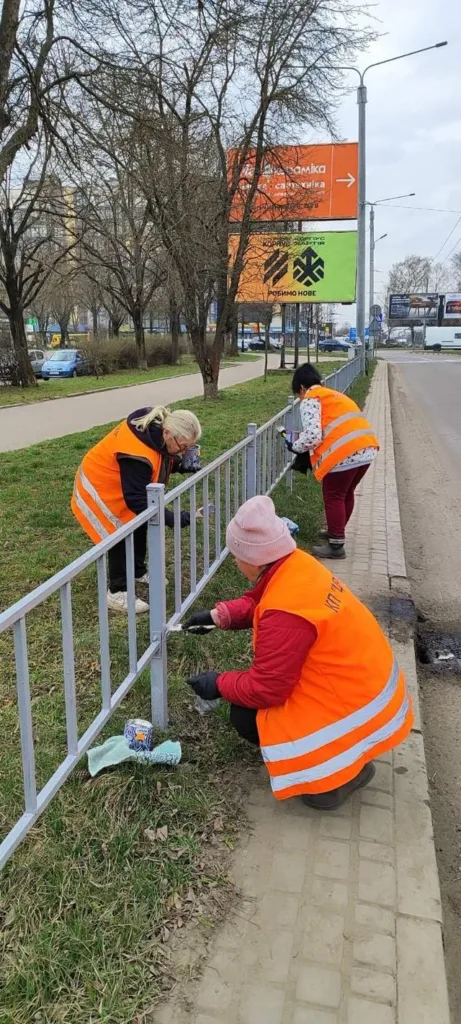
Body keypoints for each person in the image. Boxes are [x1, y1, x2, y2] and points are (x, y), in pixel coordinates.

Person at [183, 496, 413, 811]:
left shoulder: (285, 613)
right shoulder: (295, 564)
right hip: (365, 686)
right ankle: (347, 757)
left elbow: (267, 688)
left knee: (246, 716)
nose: (234, 562)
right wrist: (217, 616)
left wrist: (218, 683)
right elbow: (261, 602)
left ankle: (338, 775)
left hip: (356, 705)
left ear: (251, 558)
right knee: (253, 705)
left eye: (235, 555)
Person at [71, 405, 201, 613]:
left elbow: (160, 456)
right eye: (183, 446)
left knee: (139, 522)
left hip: (121, 483)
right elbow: (137, 500)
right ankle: (117, 591)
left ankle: (137, 570)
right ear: (167, 432)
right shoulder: (136, 453)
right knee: (119, 532)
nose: (183, 452)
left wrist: (179, 465)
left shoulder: (158, 435)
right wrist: (171, 518)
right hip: (99, 486)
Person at [288, 363, 379, 559]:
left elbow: (313, 435)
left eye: (298, 394)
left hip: (345, 453)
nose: (300, 398)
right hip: (366, 448)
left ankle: (336, 545)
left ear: (302, 388)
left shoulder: (310, 398)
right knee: (346, 493)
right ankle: (336, 531)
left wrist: (295, 446)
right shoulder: (333, 395)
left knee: (334, 496)